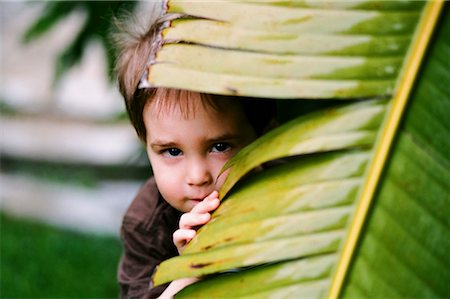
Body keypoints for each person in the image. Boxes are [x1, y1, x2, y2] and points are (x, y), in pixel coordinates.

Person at [113, 4, 276, 299]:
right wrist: (191, 269)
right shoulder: (146, 223)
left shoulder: (291, 186)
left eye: (219, 146)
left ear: (262, 135)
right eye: (172, 151)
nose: (198, 176)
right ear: (146, 143)